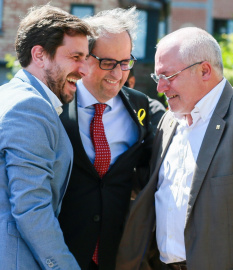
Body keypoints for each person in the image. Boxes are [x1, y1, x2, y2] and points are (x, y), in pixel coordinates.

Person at [116, 27, 233, 270]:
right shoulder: (170, 121)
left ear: (205, 70)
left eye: (169, 76)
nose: (160, 88)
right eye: (159, 78)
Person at [58, 7, 154, 270]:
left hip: (117, 257)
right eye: (108, 63)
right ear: (84, 58)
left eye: (125, 63)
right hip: (61, 254)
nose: (118, 73)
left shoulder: (141, 107)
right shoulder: (55, 105)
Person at [0, 4, 90, 269]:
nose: (84, 69)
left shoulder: (8, 95)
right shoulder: (30, 107)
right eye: (76, 57)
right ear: (39, 55)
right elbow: (31, 209)